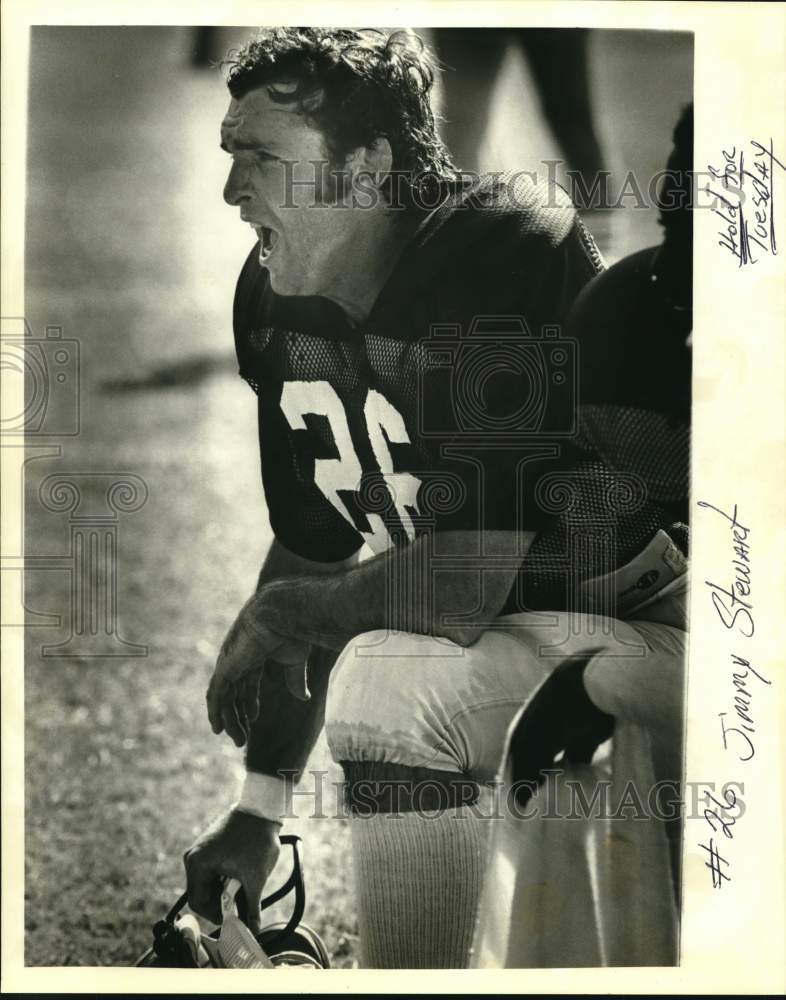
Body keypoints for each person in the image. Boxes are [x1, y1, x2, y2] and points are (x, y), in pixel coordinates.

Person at [183, 27, 688, 969]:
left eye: (261, 158)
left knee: (390, 667)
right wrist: (258, 810)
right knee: (391, 662)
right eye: (230, 155)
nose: (230, 190)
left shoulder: (497, 251)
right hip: (540, 667)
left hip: (671, 662)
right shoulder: (276, 300)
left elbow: (461, 583)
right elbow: (316, 543)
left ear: (369, 166)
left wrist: (287, 611)